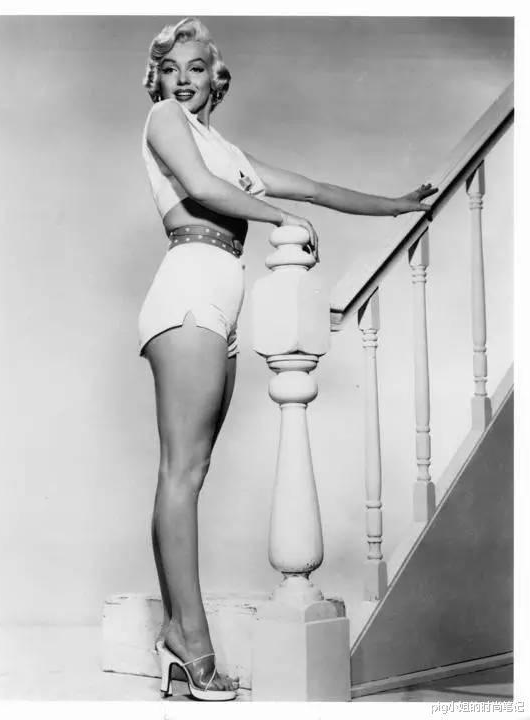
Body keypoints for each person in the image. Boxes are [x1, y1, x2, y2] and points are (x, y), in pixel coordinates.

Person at [138, 17, 437, 701]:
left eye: (194, 68)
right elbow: (202, 189)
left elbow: (313, 189)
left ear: (216, 79)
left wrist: (395, 206)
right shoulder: (164, 121)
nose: (181, 80)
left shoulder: (227, 149)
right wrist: (280, 220)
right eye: (169, 69)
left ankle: (179, 637)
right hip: (187, 292)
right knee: (181, 471)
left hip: (219, 298)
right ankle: (191, 641)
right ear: (157, 80)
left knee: (191, 471)